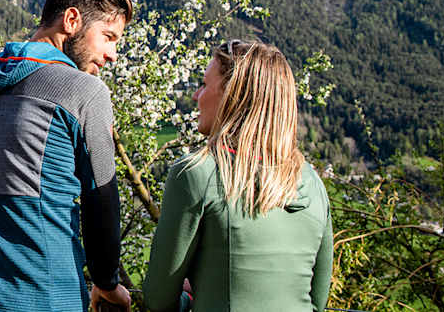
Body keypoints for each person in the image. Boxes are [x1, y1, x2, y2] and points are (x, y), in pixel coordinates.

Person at [0, 0, 134, 312]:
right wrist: (107, 282)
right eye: (108, 37)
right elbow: (102, 200)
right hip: (44, 296)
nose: (112, 54)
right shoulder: (84, 92)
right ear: (72, 20)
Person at [143, 40, 333, 312]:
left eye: (205, 85)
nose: (197, 95)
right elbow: (318, 300)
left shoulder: (196, 174)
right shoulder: (313, 184)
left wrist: (192, 298)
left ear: (231, 97)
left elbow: (158, 299)